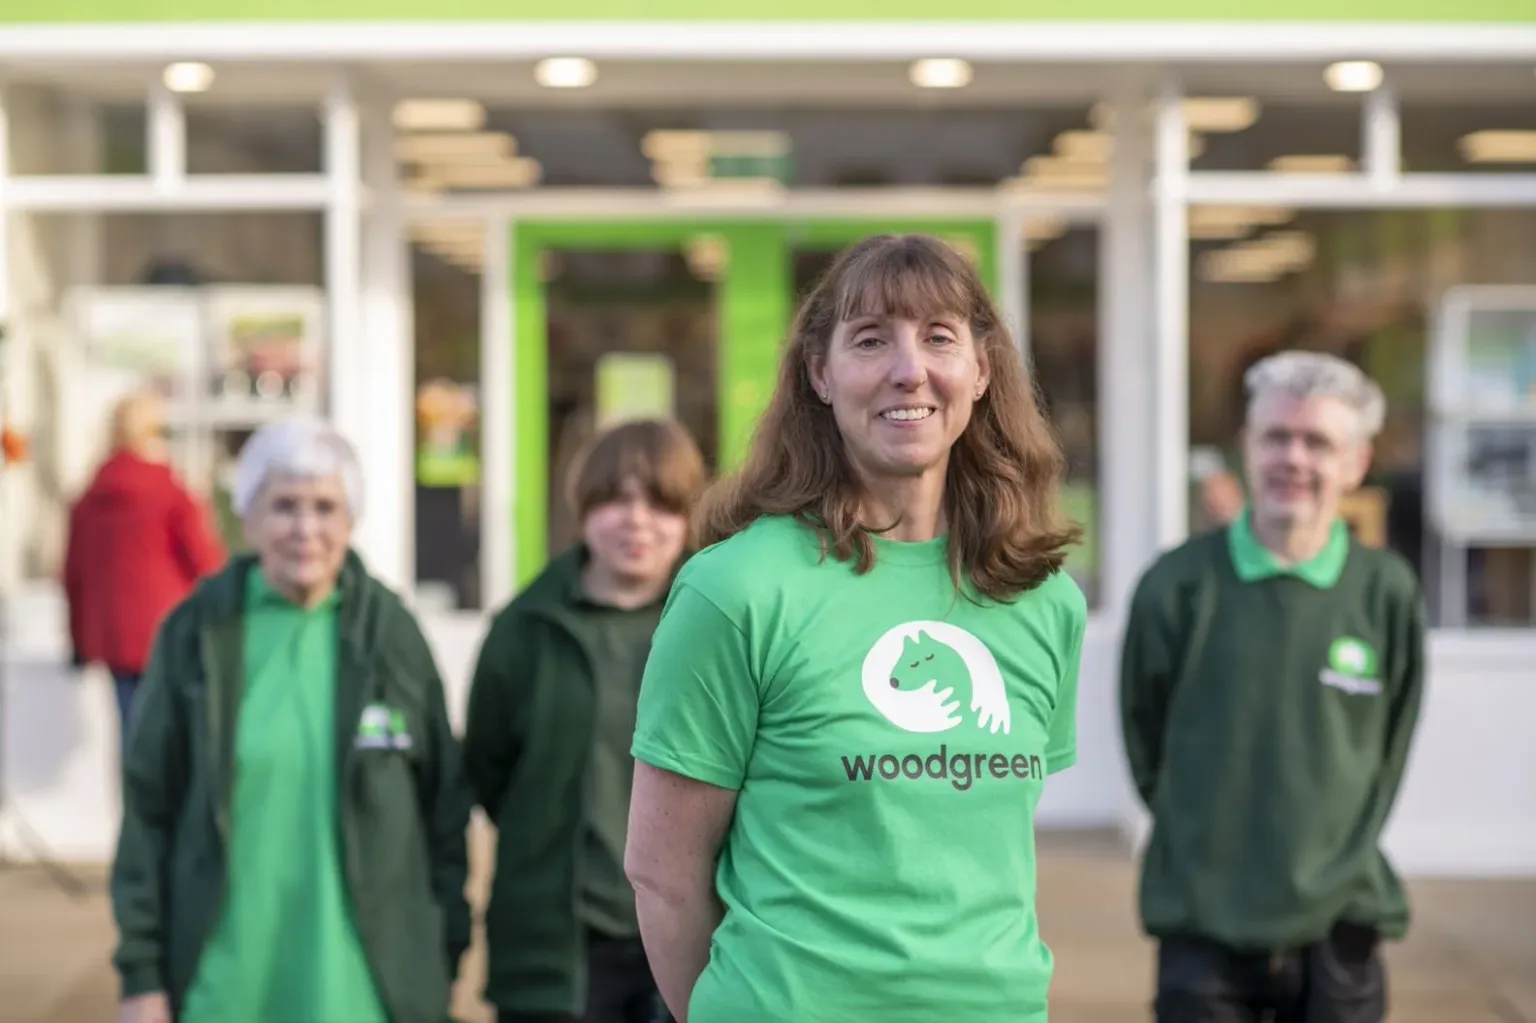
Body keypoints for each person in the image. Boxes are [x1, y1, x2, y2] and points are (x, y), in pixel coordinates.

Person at [623, 234, 1087, 1023]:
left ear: (981, 369)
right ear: (820, 373)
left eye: (939, 337)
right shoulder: (736, 589)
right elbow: (663, 875)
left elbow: (983, 849)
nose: (909, 368)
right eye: (871, 340)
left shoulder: (1043, 599)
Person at [111, 416, 472, 1023]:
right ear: (248, 518)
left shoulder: (391, 636)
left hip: (364, 990)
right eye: (284, 506)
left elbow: (445, 809)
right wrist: (142, 974)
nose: (305, 529)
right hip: (223, 984)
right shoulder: (196, 634)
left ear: (350, 520)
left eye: (325, 507)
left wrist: (440, 956)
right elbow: (149, 810)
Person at [1119, 351, 1427, 1023]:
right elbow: (1145, 740)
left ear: (1356, 462)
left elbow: (1389, 749)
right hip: (1201, 920)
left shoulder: (1386, 591)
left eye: (1317, 441)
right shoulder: (1176, 586)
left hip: (1340, 921)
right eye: (1276, 437)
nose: (1293, 456)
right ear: (1246, 449)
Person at [465, 418, 706, 1023]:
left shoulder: (717, 628)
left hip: (691, 935)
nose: (637, 520)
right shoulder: (524, 630)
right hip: (559, 948)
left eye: (661, 503)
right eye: (616, 499)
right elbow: (490, 773)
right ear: (583, 507)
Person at [64, 389, 226, 743]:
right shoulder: (170, 491)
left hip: (114, 637)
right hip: (170, 627)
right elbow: (206, 562)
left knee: (133, 732)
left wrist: (78, 641)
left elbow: (73, 574)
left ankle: (135, 798)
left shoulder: (90, 497)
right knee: (179, 737)